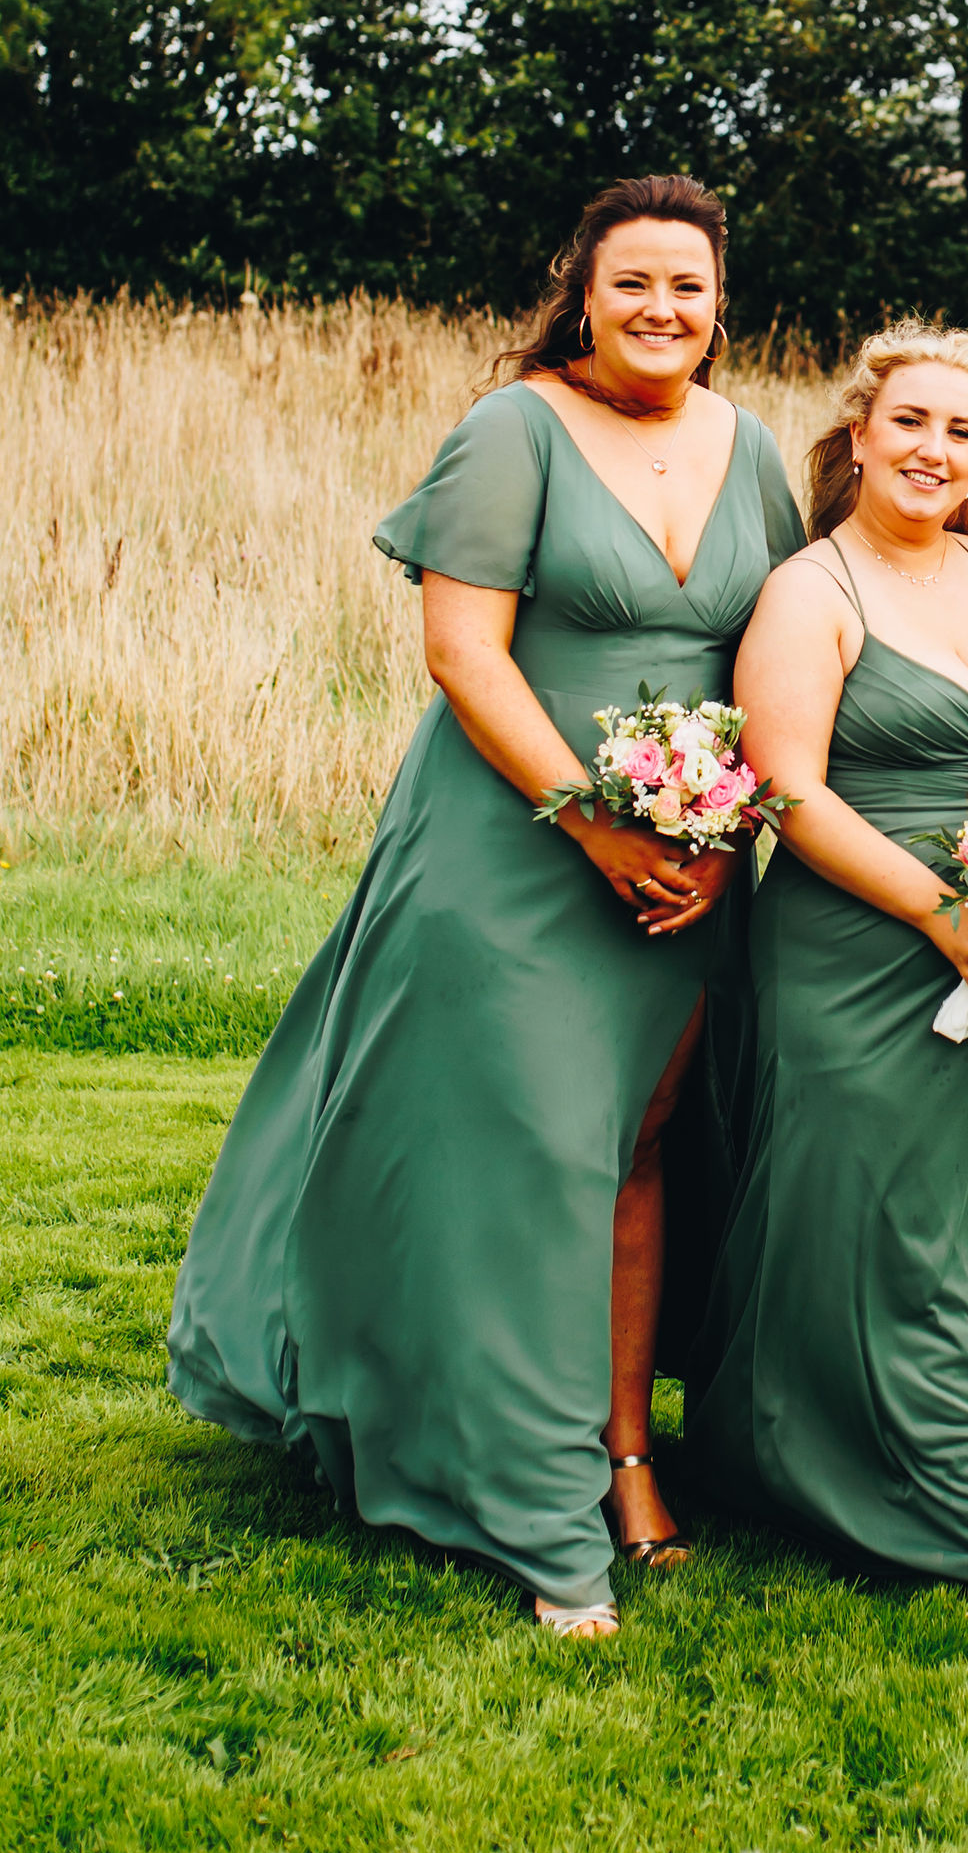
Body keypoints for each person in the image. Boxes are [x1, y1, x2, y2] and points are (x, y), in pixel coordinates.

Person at [168, 175, 805, 1637]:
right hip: (513, 846)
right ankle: (529, 1506)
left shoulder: (752, 448)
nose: (660, 309)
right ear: (583, 291)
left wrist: (732, 828)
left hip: (691, 862)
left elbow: (779, 651)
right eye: (632, 281)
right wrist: (591, 823)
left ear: (721, 309)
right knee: (525, 1158)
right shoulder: (514, 429)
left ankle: (628, 1462)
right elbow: (464, 652)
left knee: (636, 1151)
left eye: (689, 287)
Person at [681, 331, 968, 1648]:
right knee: (887, 1226)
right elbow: (788, 792)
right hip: (858, 946)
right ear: (857, 438)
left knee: (952, 1228)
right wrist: (936, 908)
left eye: (960, 431)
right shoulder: (812, 590)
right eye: (909, 422)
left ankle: (767, 1449)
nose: (933, 450)